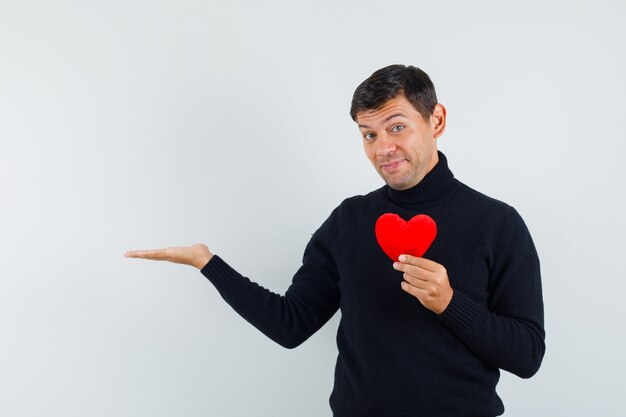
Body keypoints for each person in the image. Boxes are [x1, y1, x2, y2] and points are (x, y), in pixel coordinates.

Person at [125, 64, 545, 417]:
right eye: (368, 134)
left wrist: (451, 304)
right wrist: (207, 262)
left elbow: (527, 357)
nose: (384, 148)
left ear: (436, 120)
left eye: (396, 127)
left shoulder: (498, 224)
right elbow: (291, 325)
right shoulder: (349, 221)